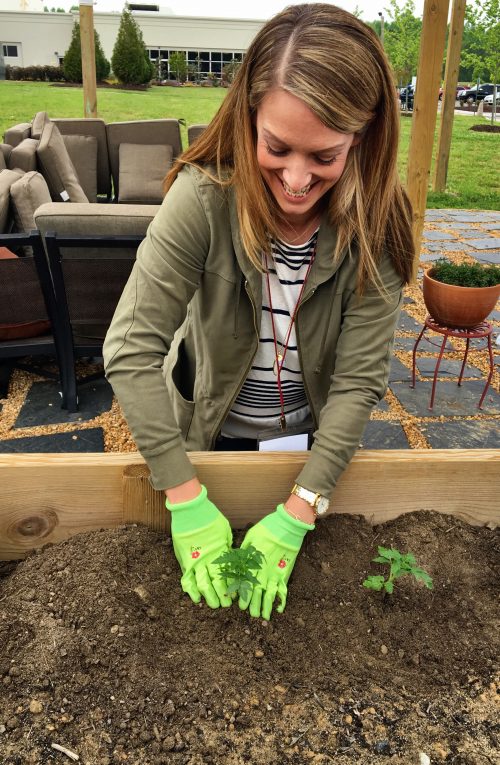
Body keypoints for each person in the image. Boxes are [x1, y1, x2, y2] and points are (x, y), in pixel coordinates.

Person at [103, 3, 414, 620]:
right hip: (211, 440)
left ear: (364, 137)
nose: (296, 180)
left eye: (324, 157)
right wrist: (186, 499)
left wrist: (302, 508)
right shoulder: (202, 199)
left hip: (314, 445)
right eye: (277, 147)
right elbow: (130, 349)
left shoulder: (379, 224)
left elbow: (356, 382)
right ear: (248, 116)